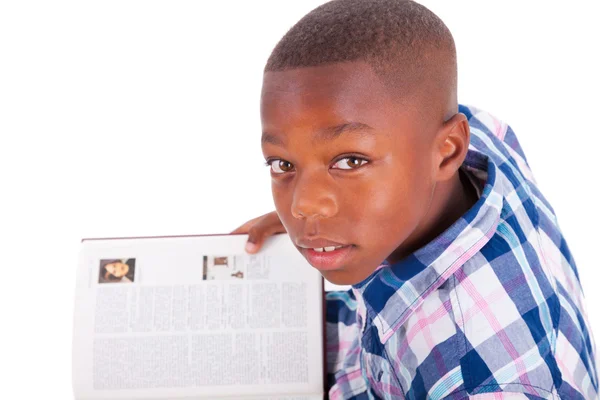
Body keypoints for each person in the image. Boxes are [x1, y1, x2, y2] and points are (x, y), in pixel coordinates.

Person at [232, 0, 598, 398]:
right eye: (283, 164)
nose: (304, 205)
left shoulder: (475, 382)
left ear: (447, 151)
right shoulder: (483, 144)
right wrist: (325, 202)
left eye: (350, 160)